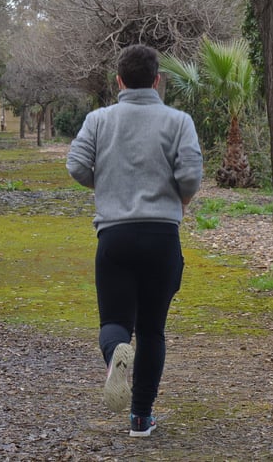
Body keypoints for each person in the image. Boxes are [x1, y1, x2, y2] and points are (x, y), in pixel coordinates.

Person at [65, 43, 203, 438]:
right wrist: (180, 199)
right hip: (162, 235)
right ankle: (141, 417)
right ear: (157, 81)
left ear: (119, 80)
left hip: (115, 235)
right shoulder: (179, 121)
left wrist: (106, 185)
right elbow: (191, 176)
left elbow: (76, 165)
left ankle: (115, 360)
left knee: (114, 322)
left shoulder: (98, 120)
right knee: (153, 329)